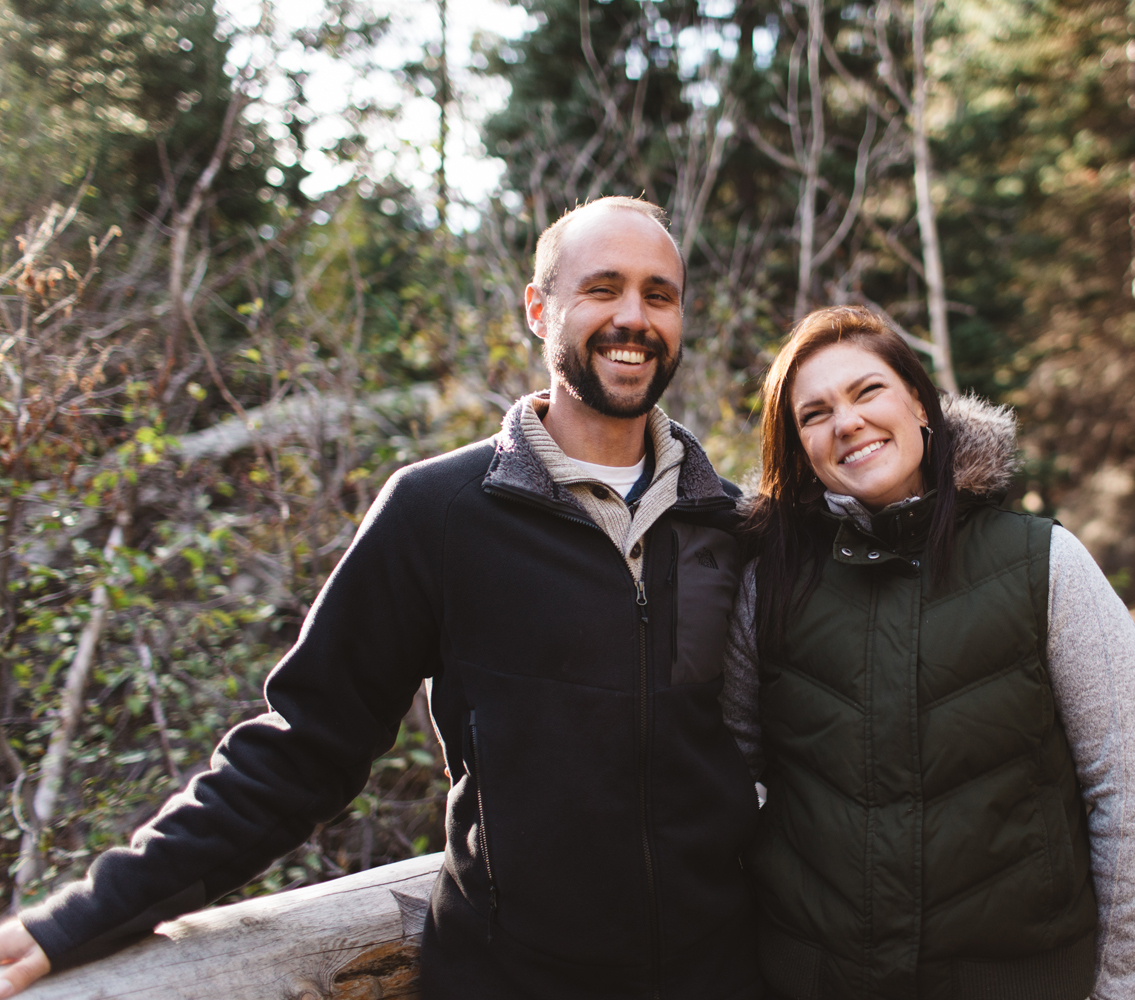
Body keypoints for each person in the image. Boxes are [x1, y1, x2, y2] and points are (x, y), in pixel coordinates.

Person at [0, 197, 763, 999]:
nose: (633, 318)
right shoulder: (442, 513)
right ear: (540, 311)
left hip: (714, 976)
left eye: (659, 294)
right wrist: (81, 916)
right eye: (602, 289)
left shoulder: (729, 521)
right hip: (509, 980)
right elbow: (305, 748)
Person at [721, 306, 1135, 1000]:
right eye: (814, 414)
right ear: (801, 448)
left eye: (867, 391)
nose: (846, 422)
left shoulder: (1043, 563)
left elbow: (1132, 789)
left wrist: (1122, 987)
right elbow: (733, 776)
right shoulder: (770, 584)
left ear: (921, 405)